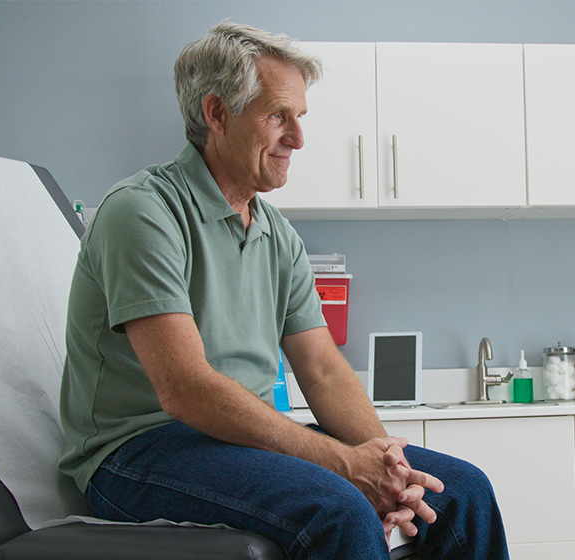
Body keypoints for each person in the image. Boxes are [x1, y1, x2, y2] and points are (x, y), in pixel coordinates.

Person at [59, 21, 509, 559]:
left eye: (299, 118)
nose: (298, 138)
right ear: (217, 114)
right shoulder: (144, 212)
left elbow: (320, 367)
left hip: (234, 441)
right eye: (278, 116)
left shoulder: (276, 233)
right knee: (337, 508)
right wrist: (344, 464)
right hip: (137, 451)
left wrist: (387, 461)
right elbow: (185, 389)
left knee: (465, 493)